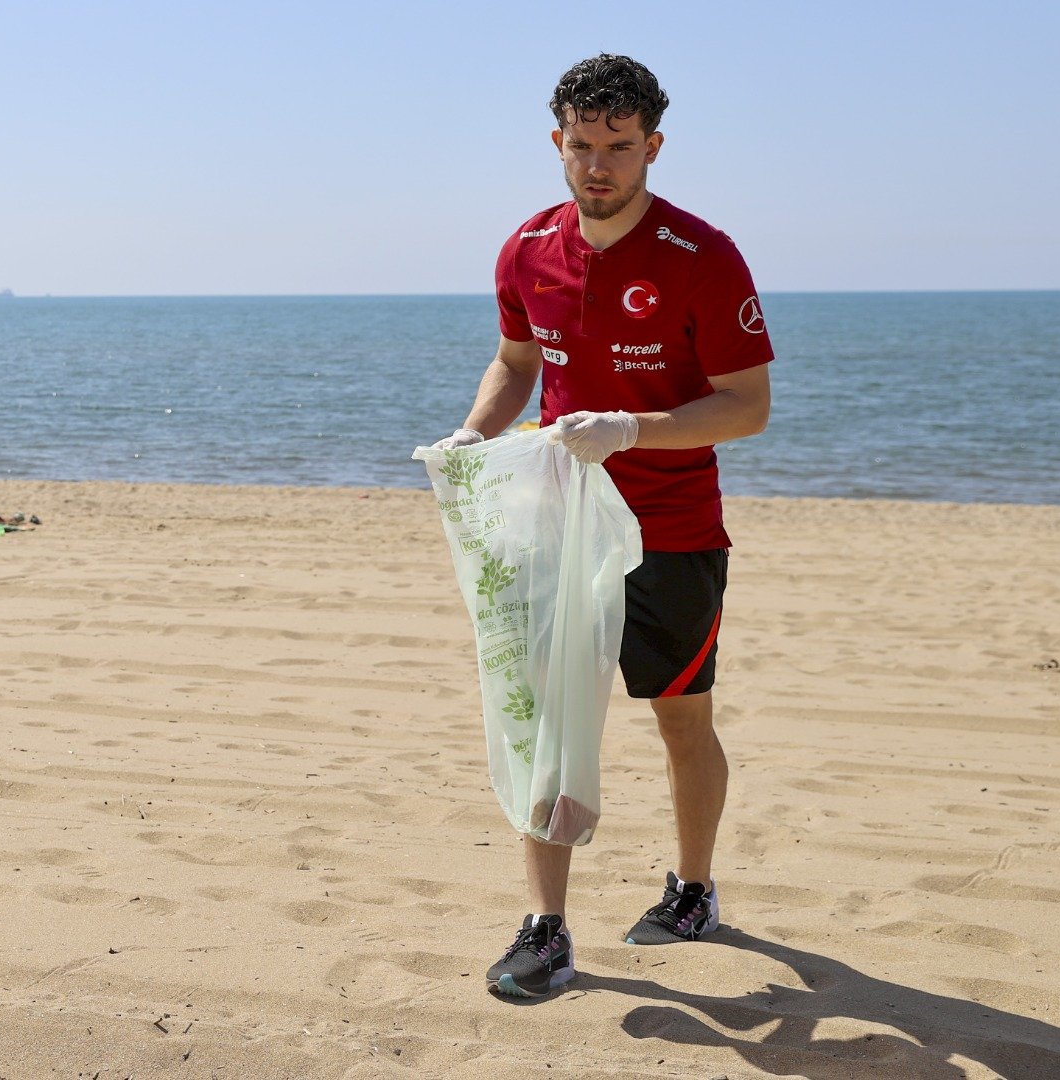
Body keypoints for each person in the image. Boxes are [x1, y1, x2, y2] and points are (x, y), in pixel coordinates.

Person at [430, 54, 774, 998]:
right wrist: (472, 434)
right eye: (582, 147)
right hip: (559, 525)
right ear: (558, 142)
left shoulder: (705, 258)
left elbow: (747, 406)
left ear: (653, 146)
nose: (598, 167)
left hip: (672, 527)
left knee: (679, 718)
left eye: (619, 149)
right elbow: (514, 363)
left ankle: (693, 887)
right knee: (548, 723)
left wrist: (632, 428)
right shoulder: (527, 248)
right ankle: (546, 928)